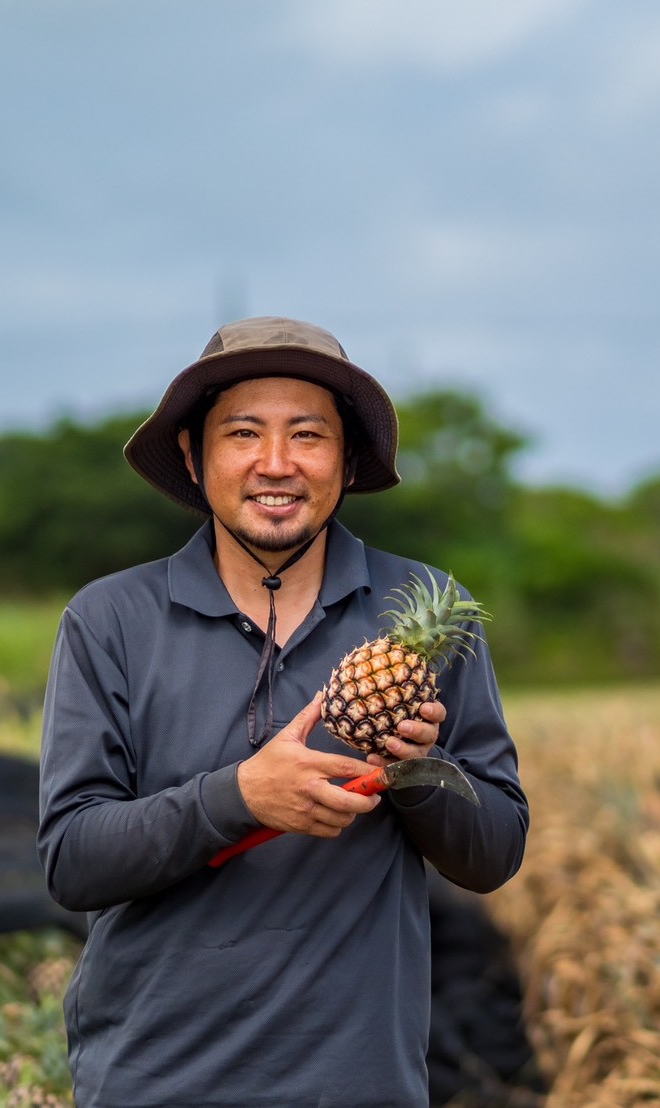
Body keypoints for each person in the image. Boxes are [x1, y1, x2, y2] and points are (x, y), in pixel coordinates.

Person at [37, 316, 530, 1108]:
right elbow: (72, 859)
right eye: (243, 433)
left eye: (307, 434)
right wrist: (239, 798)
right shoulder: (110, 621)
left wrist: (412, 771)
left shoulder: (427, 620)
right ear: (195, 457)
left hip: (359, 1083)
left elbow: (495, 851)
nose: (276, 464)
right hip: (154, 1081)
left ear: (346, 460)